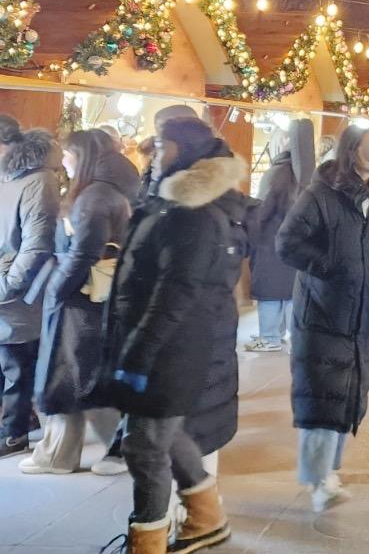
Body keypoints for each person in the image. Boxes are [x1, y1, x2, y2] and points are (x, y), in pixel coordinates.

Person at [101, 117, 245, 553]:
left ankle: (147, 542)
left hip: (170, 349)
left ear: (184, 151)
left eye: (161, 146)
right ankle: (206, 518)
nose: (153, 153)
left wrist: (138, 356)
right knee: (166, 435)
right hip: (164, 344)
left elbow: (176, 294)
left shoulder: (195, 213)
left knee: (143, 448)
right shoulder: (169, 199)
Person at [278, 125, 369, 513]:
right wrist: (329, 266)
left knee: (347, 393)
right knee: (322, 394)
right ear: (351, 151)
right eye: (368, 146)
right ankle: (319, 477)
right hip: (322, 311)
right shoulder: (320, 195)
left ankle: (328, 471)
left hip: (363, 311)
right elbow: (288, 242)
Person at [22, 130, 129, 476]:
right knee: (83, 375)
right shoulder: (108, 190)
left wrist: (56, 288)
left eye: (67, 154)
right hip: (92, 295)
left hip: (80, 296)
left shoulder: (94, 196)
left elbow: (84, 251)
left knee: (65, 375)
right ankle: (99, 450)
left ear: (82, 156)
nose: (63, 160)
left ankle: (58, 455)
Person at [0, 119, 59, 461]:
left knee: (16, 364)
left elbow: (36, 244)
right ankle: (18, 422)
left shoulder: (38, 179)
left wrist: (8, 285)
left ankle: (14, 433)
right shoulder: (9, 177)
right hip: (8, 283)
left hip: (18, 290)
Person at [245, 129, 301, 353]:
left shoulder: (275, 172)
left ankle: (269, 336)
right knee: (289, 291)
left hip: (271, 240)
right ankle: (290, 334)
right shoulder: (303, 172)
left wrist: (252, 228)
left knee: (269, 291)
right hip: (294, 241)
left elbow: (263, 208)